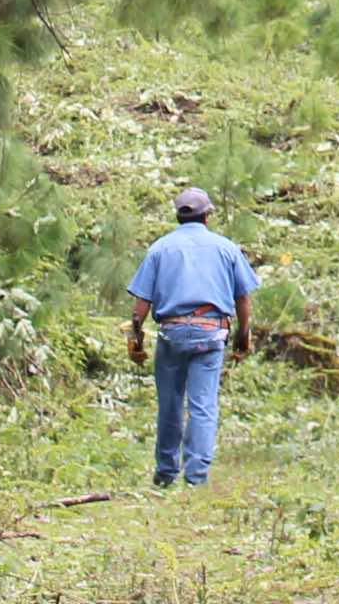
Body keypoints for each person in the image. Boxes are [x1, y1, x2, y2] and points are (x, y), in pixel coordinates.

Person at [125, 186, 257, 488]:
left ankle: (166, 472)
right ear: (207, 216)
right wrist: (242, 335)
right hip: (211, 334)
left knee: (170, 403)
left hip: (172, 333)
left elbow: (141, 304)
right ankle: (196, 476)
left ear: (177, 216)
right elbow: (243, 298)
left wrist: (136, 337)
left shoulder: (160, 249)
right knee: (202, 404)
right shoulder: (226, 248)